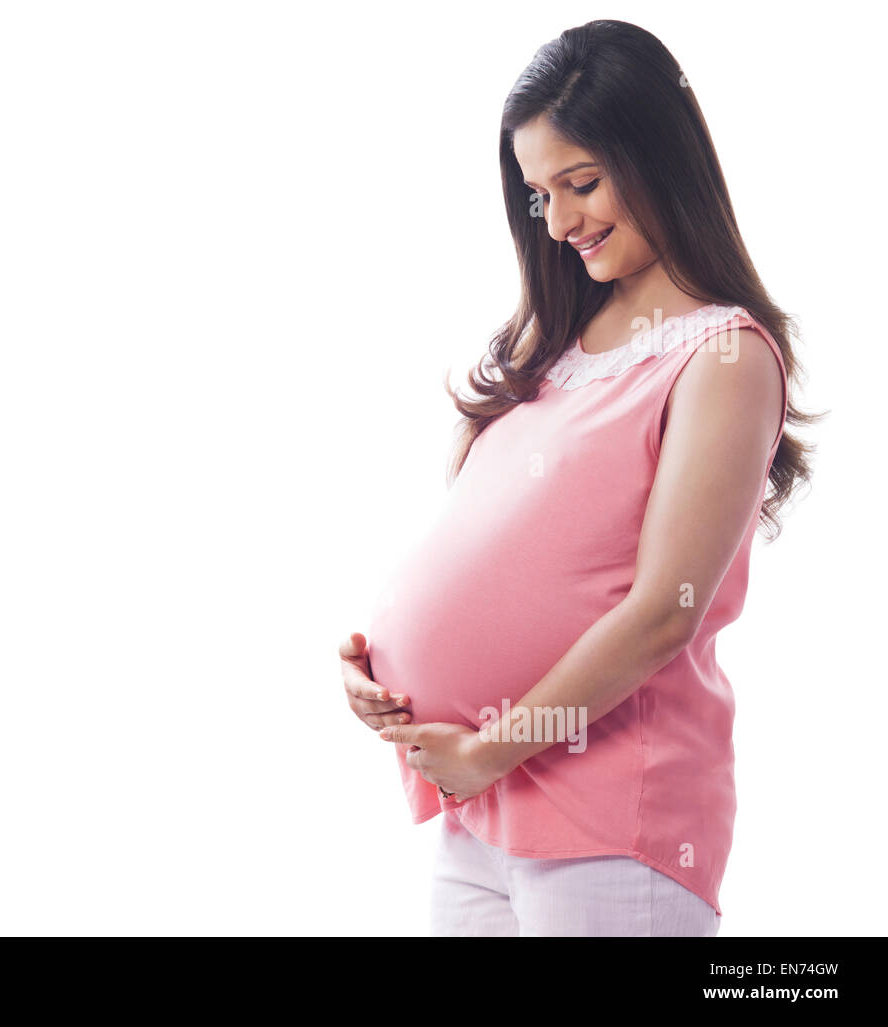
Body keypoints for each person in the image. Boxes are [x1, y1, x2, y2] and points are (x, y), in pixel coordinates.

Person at [339, 19, 821, 937]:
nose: (559, 223)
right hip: (478, 812)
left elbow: (663, 611)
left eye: (583, 183)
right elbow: (497, 550)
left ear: (658, 157)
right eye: (538, 195)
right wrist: (382, 665)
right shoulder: (552, 344)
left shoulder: (722, 357)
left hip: (611, 826)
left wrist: (486, 747)